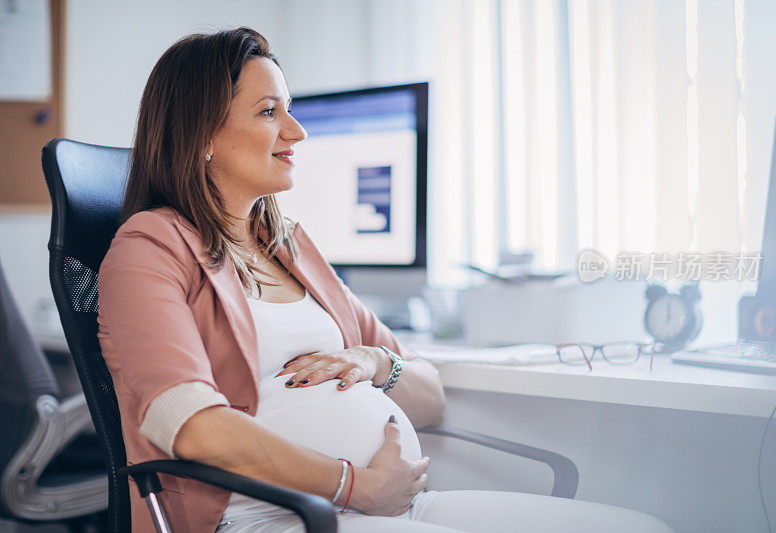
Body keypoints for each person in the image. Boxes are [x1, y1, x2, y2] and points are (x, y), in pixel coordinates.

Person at [97, 27, 674, 533]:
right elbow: (192, 428)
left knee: (644, 527)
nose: (297, 132)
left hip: (393, 508)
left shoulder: (291, 248)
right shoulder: (150, 247)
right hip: (275, 519)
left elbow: (430, 397)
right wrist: (354, 486)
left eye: (289, 109)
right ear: (201, 135)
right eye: (269, 112)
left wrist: (376, 363)